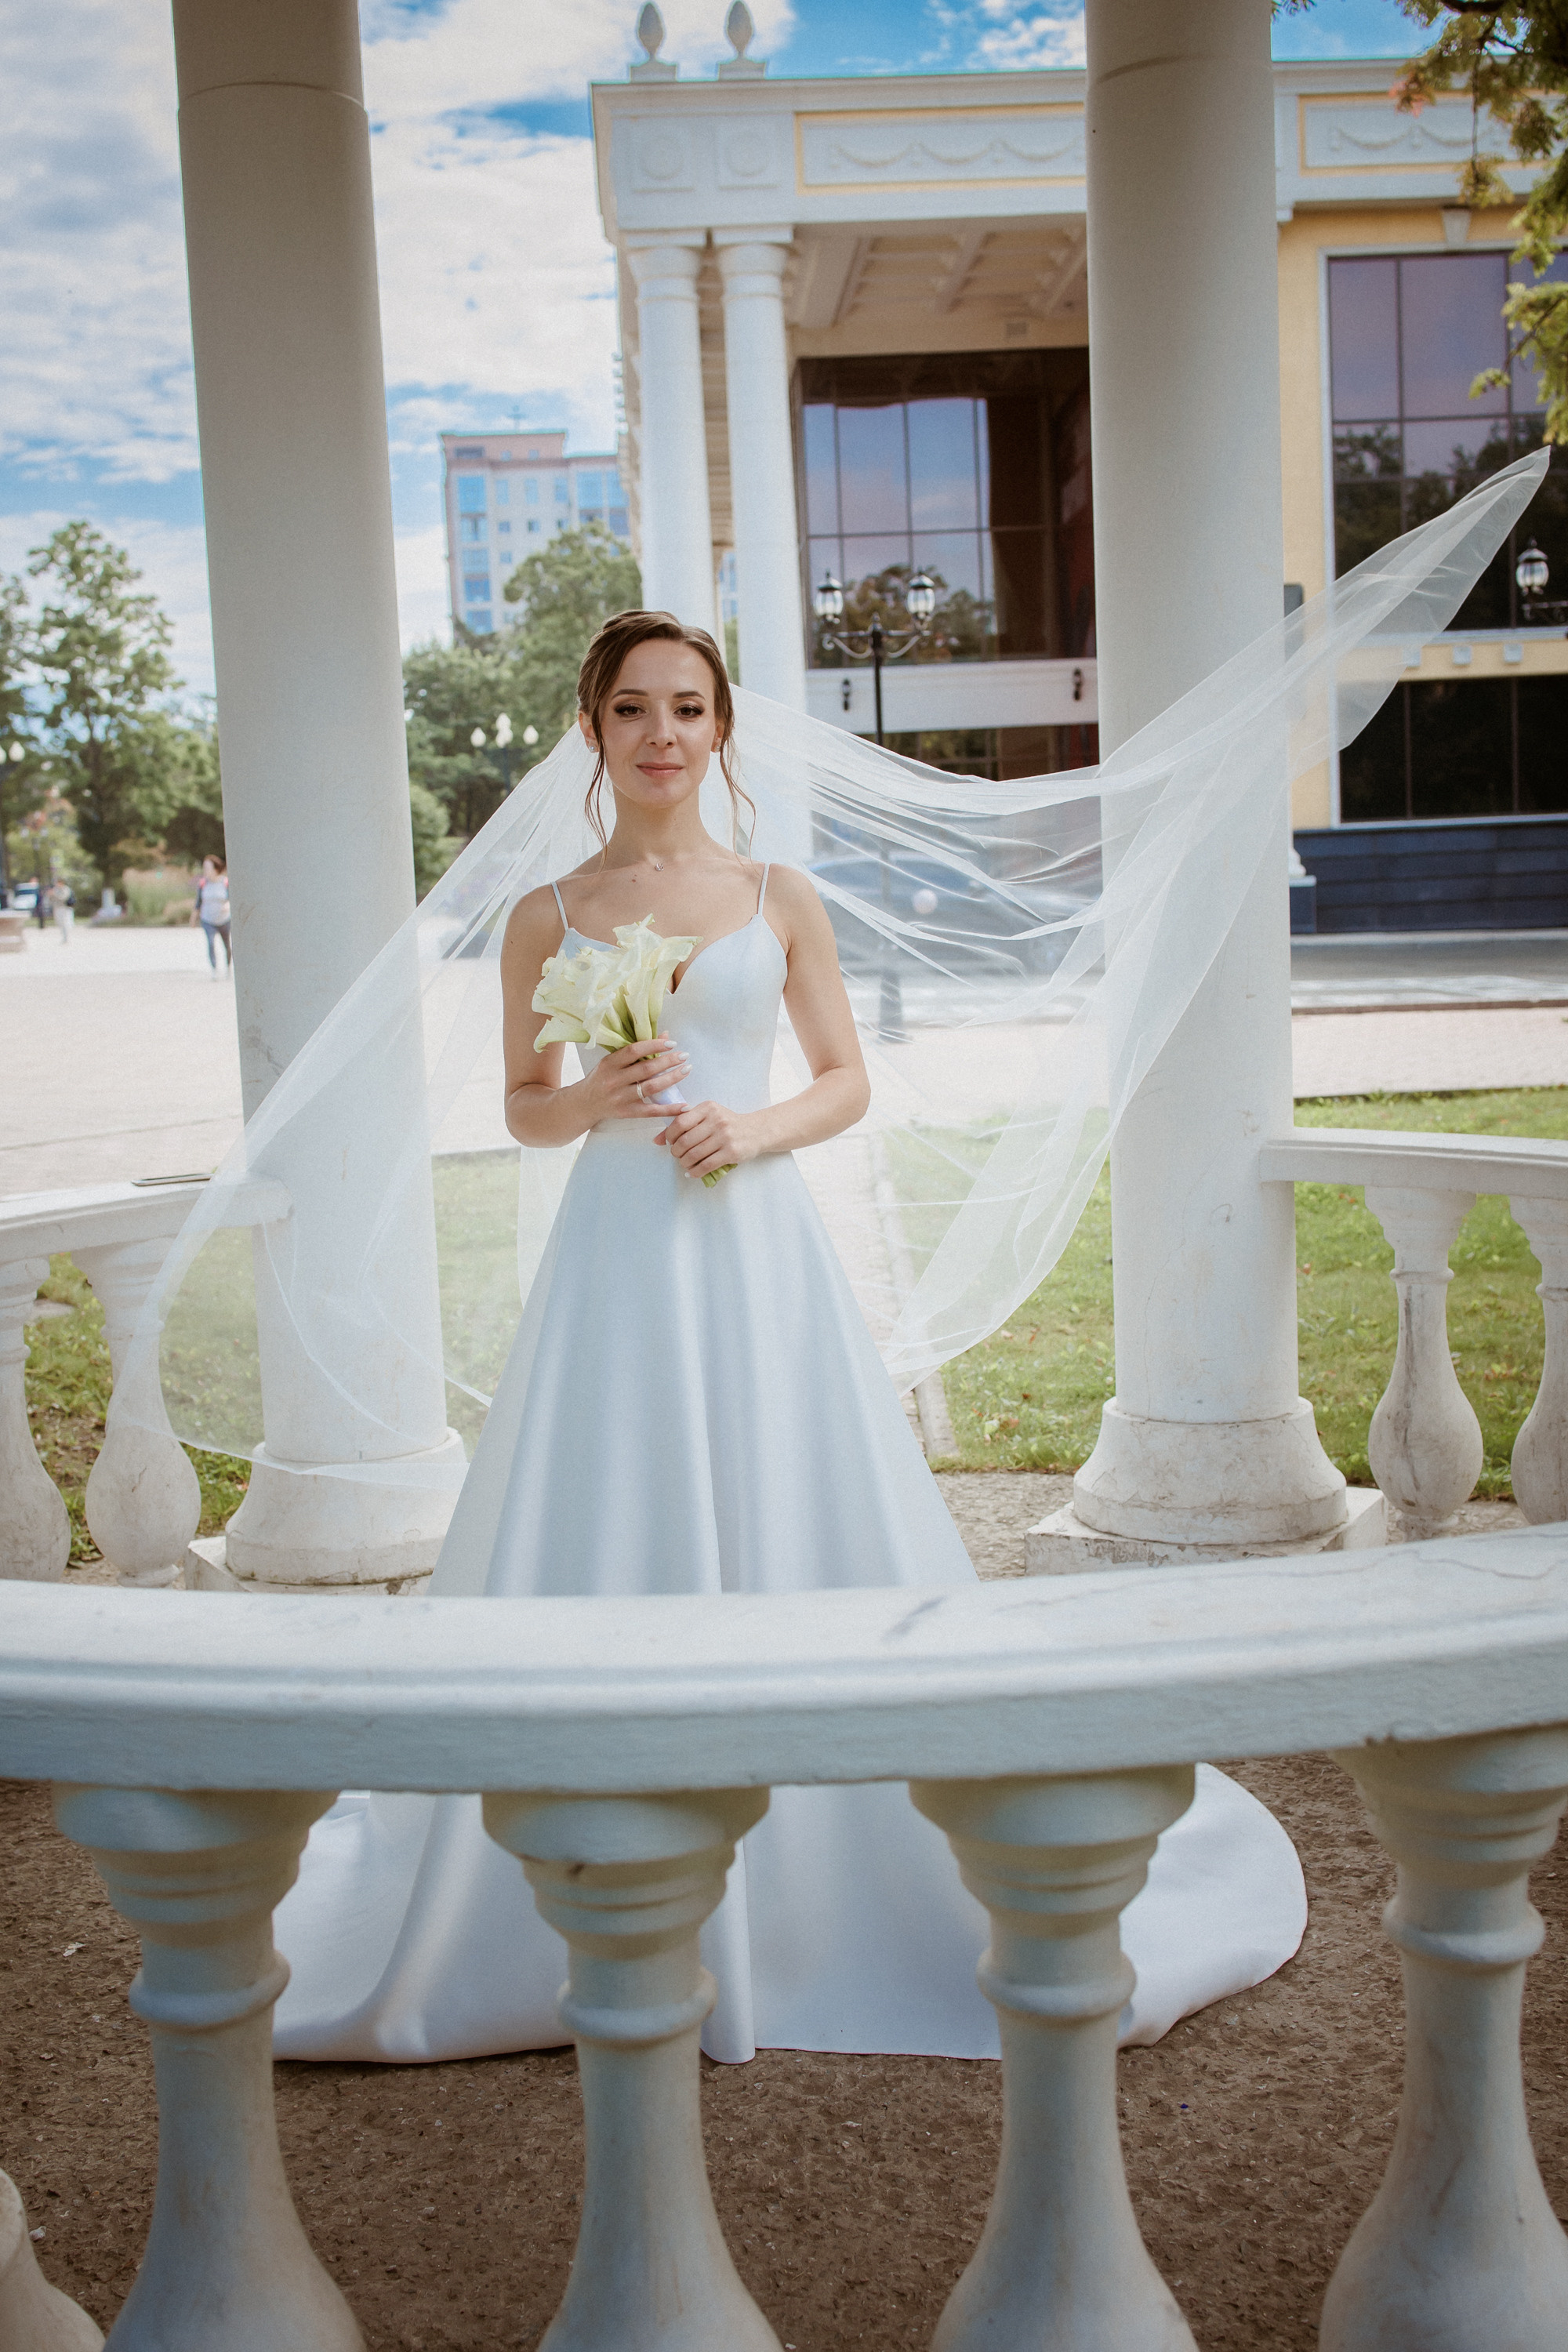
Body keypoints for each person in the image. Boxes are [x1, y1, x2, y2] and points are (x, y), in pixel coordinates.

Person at [270, 611, 1306, 2065]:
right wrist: (601, 1093)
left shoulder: (777, 895)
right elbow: (522, 1102)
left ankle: (826, 1869)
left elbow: (846, 1083)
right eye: (633, 709)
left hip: (756, 1250)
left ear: (722, 730)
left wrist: (744, 1127)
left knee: (788, 1501)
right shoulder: (545, 915)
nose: (663, 735)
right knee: (610, 1507)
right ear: (593, 731)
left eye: (688, 708)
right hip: (616, 1264)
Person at [190, 855, 231, 973]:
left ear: (216, 868)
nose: (205, 871)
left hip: (224, 919)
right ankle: (214, 968)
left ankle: (228, 966)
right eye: (204, 868)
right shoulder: (203, 884)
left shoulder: (225, 882)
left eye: (208, 868)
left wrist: (227, 906)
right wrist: (193, 918)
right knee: (211, 943)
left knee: (227, 944)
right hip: (208, 919)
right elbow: (198, 902)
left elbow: (231, 900)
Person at [49, 879, 74, 943]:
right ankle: (63, 937)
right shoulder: (55, 889)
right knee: (59, 922)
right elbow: (51, 899)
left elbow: (63, 898)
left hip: (64, 908)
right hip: (57, 908)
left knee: (65, 922)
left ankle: (66, 937)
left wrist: (55, 894)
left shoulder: (65, 889)